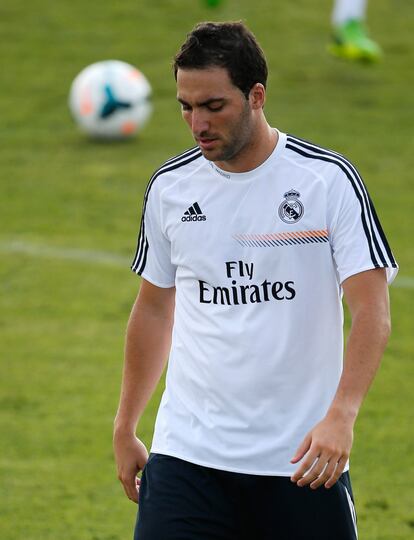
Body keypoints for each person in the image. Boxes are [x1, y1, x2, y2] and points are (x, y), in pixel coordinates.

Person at [113, 21, 397, 540]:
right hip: (187, 456)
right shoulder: (170, 188)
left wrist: (342, 415)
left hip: (301, 461)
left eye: (214, 106)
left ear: (257, 95)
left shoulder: (327, 182)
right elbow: (154, 308)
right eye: (185, 106)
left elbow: (372, 311)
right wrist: (126, 423)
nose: (197, 122)